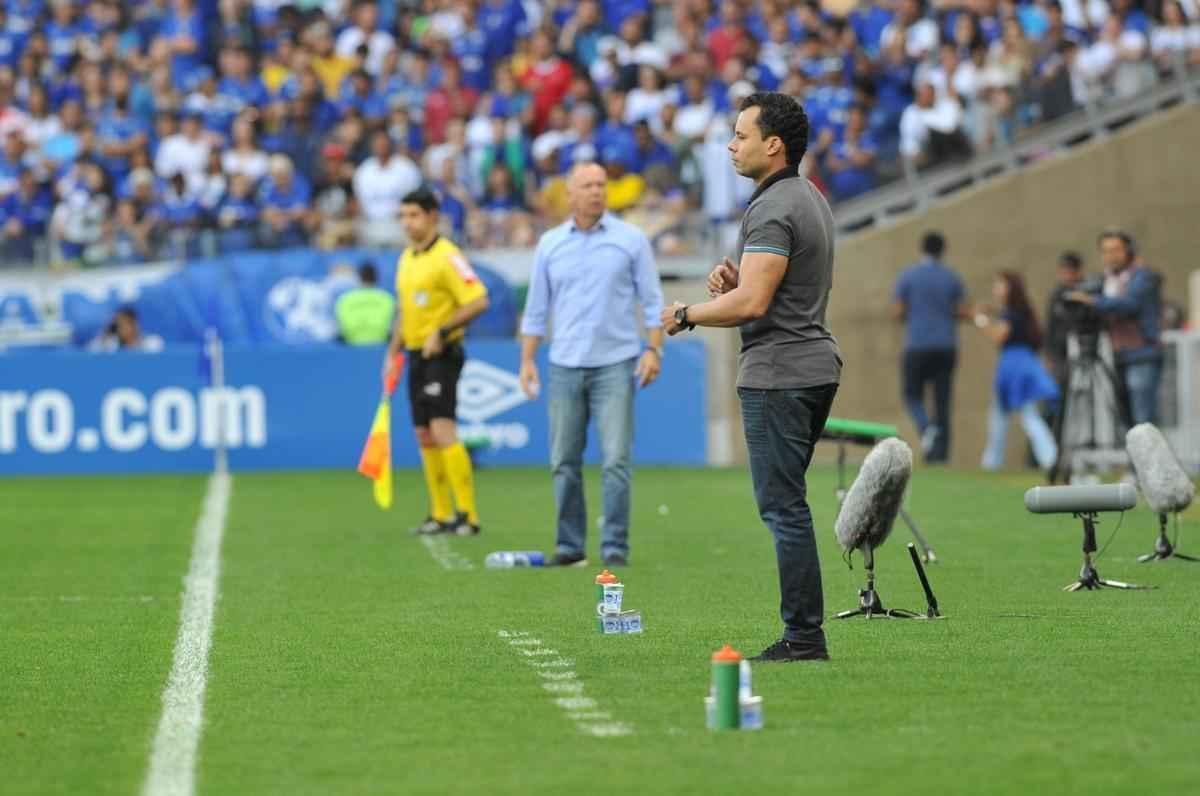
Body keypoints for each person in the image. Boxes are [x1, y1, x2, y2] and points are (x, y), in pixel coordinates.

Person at [661, 91, 841, 663]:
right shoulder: (808, 197)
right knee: (790, 503)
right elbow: (769, 285)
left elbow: (754, 304)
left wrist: (686, 313)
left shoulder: (772, 206)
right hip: (812, 363)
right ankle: (804, 633)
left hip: (779, 371)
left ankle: (804, 637)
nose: (731, 145)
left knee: (783, 507)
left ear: (773, 145)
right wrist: (737, 279)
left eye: (740, 135)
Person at [518, 161, 665, 568]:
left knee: (616, 459)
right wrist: (527, 359)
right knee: (563, 460)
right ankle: (569, 545)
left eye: (602, 185)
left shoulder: (632, 240)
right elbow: (535, 310)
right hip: (564, 363)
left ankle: (614, 546)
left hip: (616, 364)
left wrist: (653, 350)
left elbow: (653, 303)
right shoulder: (549, 244)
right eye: (587, 185)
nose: (597, 192)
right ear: (570, 195)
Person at [384, 188, 490, 537]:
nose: (407, 223)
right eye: (403, 216)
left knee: (444, 429)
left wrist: (441, 332)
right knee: (423, 433)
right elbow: (404, 310)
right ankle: (440, 513)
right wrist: (392, 352)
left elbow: (478, 301)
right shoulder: (406, 258)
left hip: (442, 354)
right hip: (414, 354)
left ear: (432, 216)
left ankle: (469, 514)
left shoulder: (449, 256)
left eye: (413, 215)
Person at [1066, 230, 1164, 425]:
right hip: (1119, 356)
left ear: (1129, 251)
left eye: (1116, 250)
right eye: (1105, 251)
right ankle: (1132, 455)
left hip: (1142, 354)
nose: (1110, 256)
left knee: (1143, 420)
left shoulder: (1143, 277)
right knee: (1127, 420)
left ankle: (1148, 456)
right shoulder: (1106, 280)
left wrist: (1092, 300)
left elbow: (1129, 304)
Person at [892, 232, 968, 463]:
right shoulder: (952, 277)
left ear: (922, 249)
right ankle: (939, 456)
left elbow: (898, 311)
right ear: (942, 250)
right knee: (942, 401)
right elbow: (960, 309)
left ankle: (926, 429)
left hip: (918, 344)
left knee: (911, 394)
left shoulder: (909, 276)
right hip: (946, 345)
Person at [973, 271, 1060, 471]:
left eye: (1000, 285)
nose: (996, 289)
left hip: (1014, 367)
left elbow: (999, 336)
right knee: (1002, 416)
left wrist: (981, 321)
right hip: (1020, 364)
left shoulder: (1012, 313)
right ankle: (993, 462)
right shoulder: (1020, 311)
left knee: (1025, 416)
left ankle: (1049, 458)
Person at [1043, 251, 1086, 388]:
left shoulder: (1087, 293)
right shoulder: (1056, 296)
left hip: (1083, 354)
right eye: (1064, 271)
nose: (1067, 276)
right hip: (1059, 355)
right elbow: (1050, 327)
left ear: (1079, 271)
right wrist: (1048, 355)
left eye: (1070, 271)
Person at [336, 261, 395, 345]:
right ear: (377, 278)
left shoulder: (345, 300)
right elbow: (392, 327)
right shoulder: (387, 298)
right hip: (380, 346)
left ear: (359, 277)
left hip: (351, 347)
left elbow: (342, 328)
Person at [89, 306, 164, 352]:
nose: (119, 328)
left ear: (133, 324)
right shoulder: (111, 345)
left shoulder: (152, 343)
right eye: (116, 324)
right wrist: (105, 334)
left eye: (122, 324)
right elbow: (90, 355)